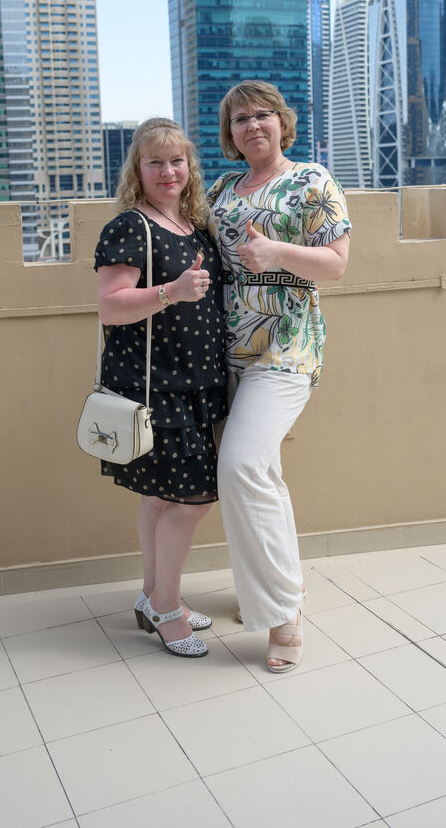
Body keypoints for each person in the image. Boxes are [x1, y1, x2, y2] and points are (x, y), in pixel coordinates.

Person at [208, 80, 351, 672]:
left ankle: (283, 614)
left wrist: (277, 254)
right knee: (262, 472)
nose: (252, 125)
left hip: (287, 346)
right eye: (239, 119)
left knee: (241, 466)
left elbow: (337, 264)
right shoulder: (220, 189)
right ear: (230, 133)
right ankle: (275, 588)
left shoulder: (311, 180)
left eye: (262, 114)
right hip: (225, 351)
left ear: (281, 121)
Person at [95, 118, 228, 658]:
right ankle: (168, 608)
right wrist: (171, 291)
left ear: (189, 167)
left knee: (161, 497)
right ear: (138, 170)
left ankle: (153, 596)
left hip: (196, 384)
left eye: (177, 161)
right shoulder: (130, 227)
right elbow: (110, 306)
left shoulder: (192, 224)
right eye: (156, 162)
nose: (169, 171)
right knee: (191, 500)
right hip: (157, 387)